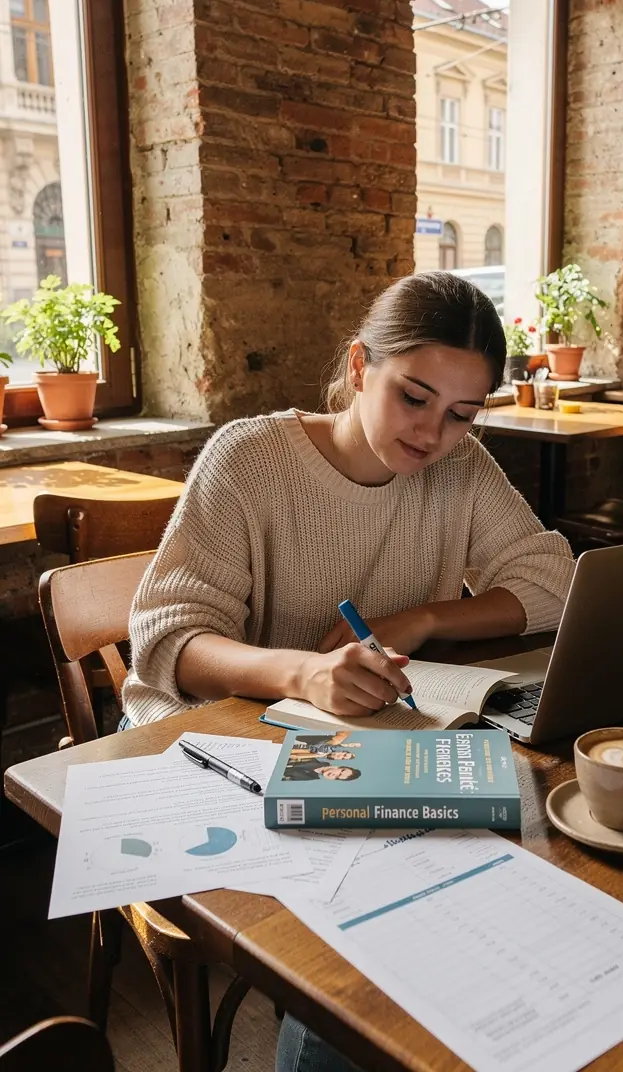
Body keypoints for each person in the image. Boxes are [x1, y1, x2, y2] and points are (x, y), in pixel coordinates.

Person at [121, 270, 574, 1071]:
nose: (434, 434)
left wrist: (423, 617)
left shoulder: (459, 471)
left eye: (462, 415)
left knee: (504, 853)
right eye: (415, 397)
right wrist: (303, 674)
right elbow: (169, 641)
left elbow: (552, 580)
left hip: (368, 741)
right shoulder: (251, 458)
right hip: (216, 740)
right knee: (378, 913)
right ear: (361, 366)